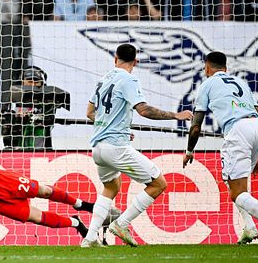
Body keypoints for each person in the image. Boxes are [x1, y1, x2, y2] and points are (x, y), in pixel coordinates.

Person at [80, 44, 193, 247]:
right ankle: (121, 224)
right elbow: (144, 110)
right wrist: (176, 115)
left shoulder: (103, 79)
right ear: (136, 62)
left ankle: (89, 239)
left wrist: (116, 127)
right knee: (159, 184)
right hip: (115, 147)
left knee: (111, 187)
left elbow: (89, 112)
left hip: (97, 148)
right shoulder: (129, 79)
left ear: (115, 59)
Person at [184, 51, 258, 247]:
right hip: (257, 129)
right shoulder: (240, 82)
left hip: (238, 130)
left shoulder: (206, 85)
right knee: (232, 180)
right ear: (226, 68)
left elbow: (196, 126)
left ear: (207, 68)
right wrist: (254, 153)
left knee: (236, 193)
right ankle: (249, 228)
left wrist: (189, 151)